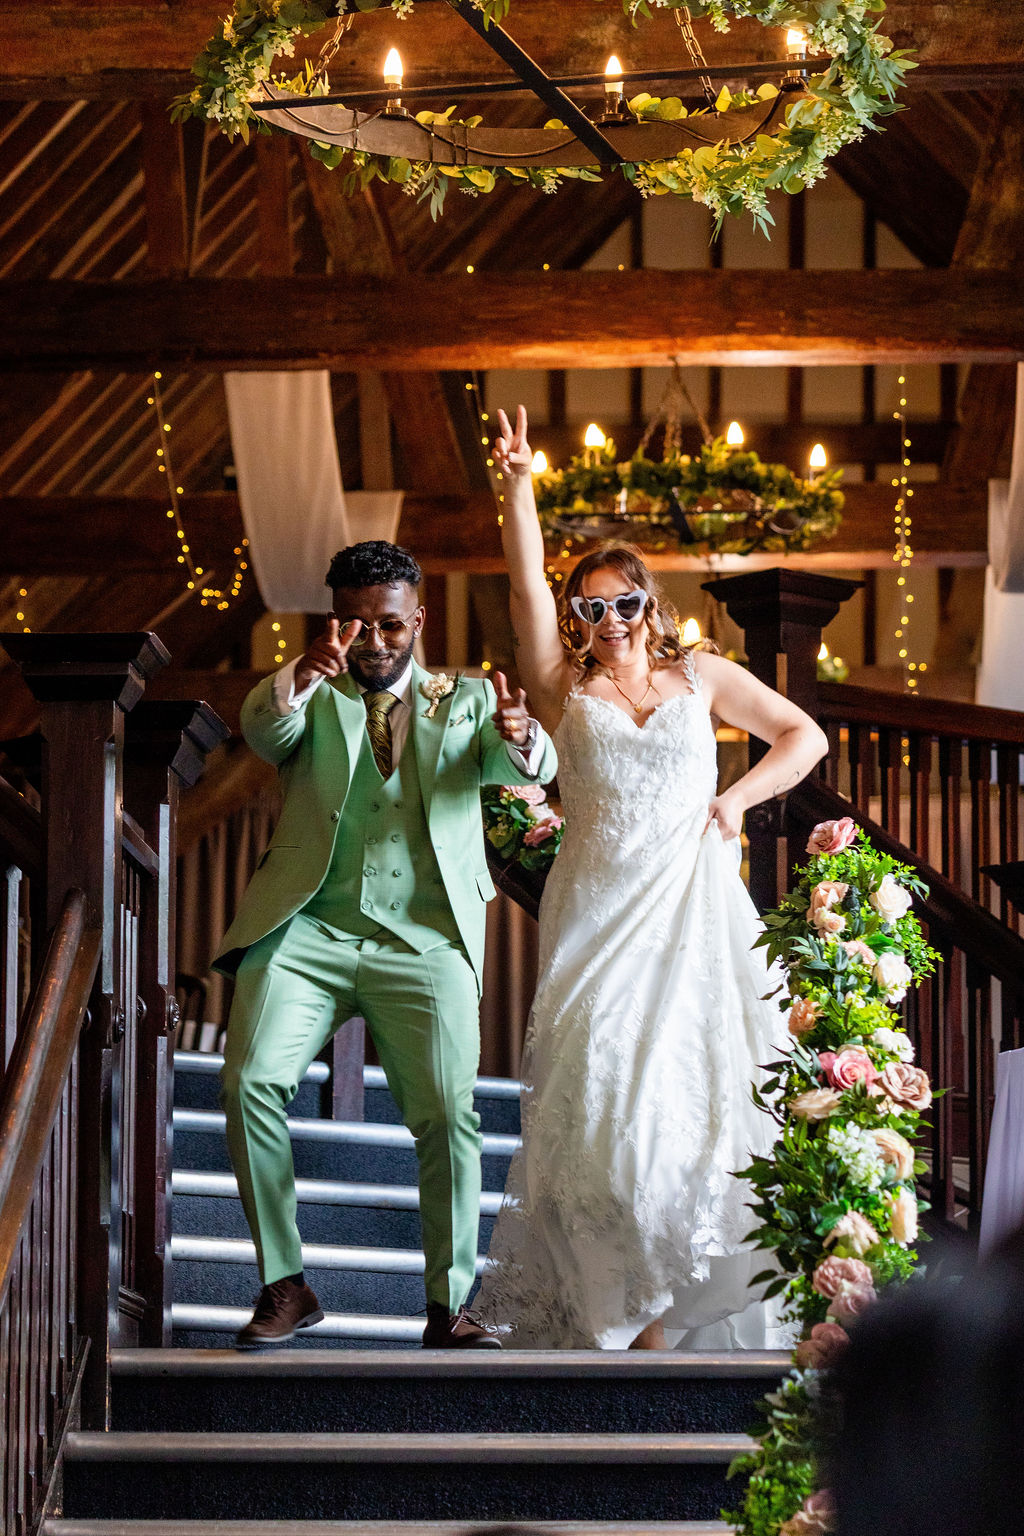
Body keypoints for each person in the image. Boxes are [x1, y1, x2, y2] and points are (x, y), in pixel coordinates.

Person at [473, 407, 828, 1350]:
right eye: (590, 607)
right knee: (601, 1112)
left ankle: (662, 1317)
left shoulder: (703, 674)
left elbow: (805, 735)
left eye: (625, 603)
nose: (610, 621)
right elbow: (521, 592)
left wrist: (738, 799)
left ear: (649, 606)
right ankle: (611, 1300)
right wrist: (517, 484)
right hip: (596, 914)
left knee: (695, 1111)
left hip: (691, 911)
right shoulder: (563, 686)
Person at [214, 539, 557, 1350]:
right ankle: (286, 1283)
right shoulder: (308, 692)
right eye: (355, 623)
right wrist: (298, 677)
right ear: (334, 621)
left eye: (390, 625)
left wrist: (522, 737)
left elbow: (520, 759)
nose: (372, 641)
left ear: (419, 620)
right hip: (307, 928)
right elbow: (262, 734)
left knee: (447, 1111)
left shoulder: (466, 700)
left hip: (427, 937)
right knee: (249, 1082)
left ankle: (447, 1306)